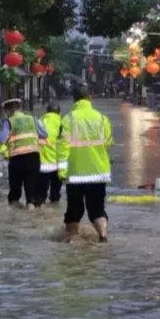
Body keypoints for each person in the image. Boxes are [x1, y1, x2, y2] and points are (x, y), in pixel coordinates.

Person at [57, 85, 113, 242]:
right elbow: (108, 142)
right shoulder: (102, 118)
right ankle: (103, 236)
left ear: (74, 99)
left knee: (74, 210)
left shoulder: (68, 119)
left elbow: (62, 147)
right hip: (98, 172)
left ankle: (72, 241)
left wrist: (62, 172)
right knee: (97, 209)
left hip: (76, 173)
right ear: (90, 98)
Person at [0, 98, 48, 209]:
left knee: (15, 193)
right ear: (20, 108)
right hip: (33, 158)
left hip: (16, 160)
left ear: (8, 110)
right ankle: (31, 214)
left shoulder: (9, 122)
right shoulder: (33, 119)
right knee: (31, 194)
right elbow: (44, 133)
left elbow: (0, 139)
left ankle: (16, 221)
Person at [38, 102, 63, 206]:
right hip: (58, 163)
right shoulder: (62, 122)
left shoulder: (39, 121)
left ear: (47, 111)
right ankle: (55, 210)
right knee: (55, 195)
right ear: (58, 112)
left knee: (40, 194)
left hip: (42, 162)